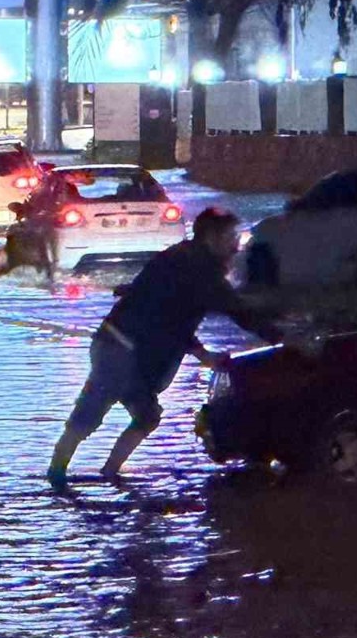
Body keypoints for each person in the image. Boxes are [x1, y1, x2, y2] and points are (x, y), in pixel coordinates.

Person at [47, 207, 284, 489]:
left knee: (147, 416)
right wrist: (282, 338)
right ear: (211, 237)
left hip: (124, 347)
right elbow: (237, 311)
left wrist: (202, 353)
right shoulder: (199, 268)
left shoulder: (181, 258)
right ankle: (57, 475)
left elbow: (173, 316)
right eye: (231, 238)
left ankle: (108, 474)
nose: (236, 247)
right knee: (90, 413)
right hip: (120, 348)